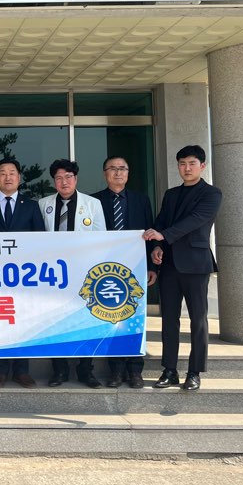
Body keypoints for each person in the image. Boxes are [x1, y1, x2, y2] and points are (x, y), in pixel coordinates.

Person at [143, 144, 223, 392]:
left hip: (196, 265)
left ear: (202, 166)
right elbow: (160, 222)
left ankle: (194, 372)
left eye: (191, 163)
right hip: (168, 265)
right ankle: (169, 370)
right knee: (169, 320)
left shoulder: (212, 194)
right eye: (182, 164)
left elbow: (195, 220)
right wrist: (157, 246)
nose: (187, 168)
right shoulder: (171, 194)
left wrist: (164, 235)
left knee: (198, 320)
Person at [0, 159, 45, 388]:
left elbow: (41, 240)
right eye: (3, 173)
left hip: (23, 276)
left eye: (12, 173)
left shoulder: (31, 205)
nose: (8, 177)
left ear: (19, 177)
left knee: (24, 321)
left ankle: (21, 371)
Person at [40, 159, 106, 389]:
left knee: (84, 322)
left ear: (76, 179)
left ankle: (86, 370)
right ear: (54, 182)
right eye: (58, 178)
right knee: (56, 322)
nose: (64, 182)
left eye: (68, 177)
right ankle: (59, 370)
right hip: (54, 275)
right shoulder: (44, 204)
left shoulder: (93, 204)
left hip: (83, 273)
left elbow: (101, 239)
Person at [92, 156, 157, 389]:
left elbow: (150, 233)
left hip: (135, 268)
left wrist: (153, 267)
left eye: (122, 169)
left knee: (135, 317)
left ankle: (135, 370)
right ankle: (116, 371)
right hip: (105, 270)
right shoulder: (94, 201)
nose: (118, 173)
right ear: (105, 173)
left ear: (128, 173)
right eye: (113, 169)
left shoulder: (141, 200)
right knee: (111, 318)